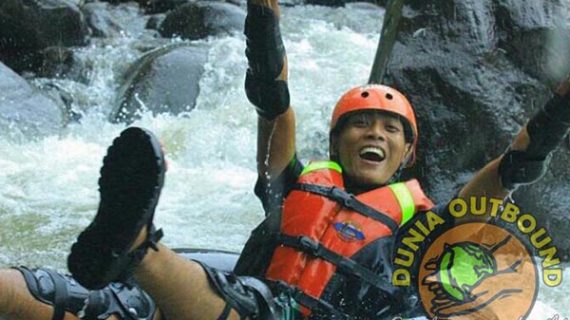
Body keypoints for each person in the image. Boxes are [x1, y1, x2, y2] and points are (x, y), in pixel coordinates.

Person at [0, 0, 569, 319]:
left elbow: (513, 166)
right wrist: (263, 18)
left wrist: (561, 109)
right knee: (74, 300)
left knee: (255, 307)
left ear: (408, 151)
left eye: (390, 128)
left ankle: (139, 246)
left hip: (306, 315)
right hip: (235, 296)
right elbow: (273, 102)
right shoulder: (294, 181)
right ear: (337, 140)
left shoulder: (425, 223)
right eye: (360, 123)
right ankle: (127, 257)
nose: (374, 132)